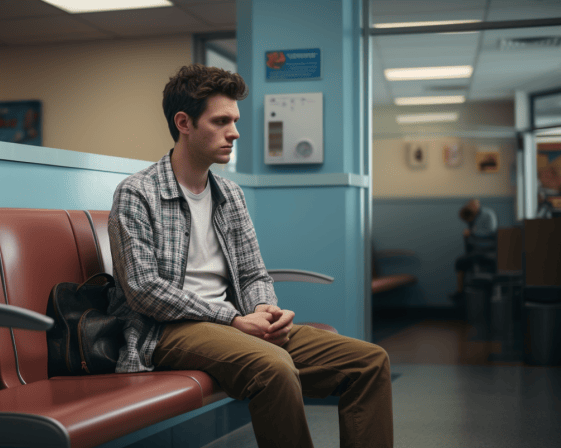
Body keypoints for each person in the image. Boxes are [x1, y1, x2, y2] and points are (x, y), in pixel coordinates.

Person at [107, 64, 393, 448]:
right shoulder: (137, 193)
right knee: (273, 367)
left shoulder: (230, 194)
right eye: (221, 121)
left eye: (235, 120)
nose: (235, 132)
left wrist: (265, 310)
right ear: (184, 123)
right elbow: (144, 290)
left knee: (370, 362)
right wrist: (235, 318)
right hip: (166, 331)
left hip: (233, 323)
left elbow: (253, 273)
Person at [454, 199, 498, 295]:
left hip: (487, 250)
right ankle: (460, 292)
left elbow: (491, 231)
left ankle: (462, 292)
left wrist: (473, 232)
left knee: (461, 262)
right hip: (476, 250)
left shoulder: (488, 214)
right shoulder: (474, 217)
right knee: (459, 263)